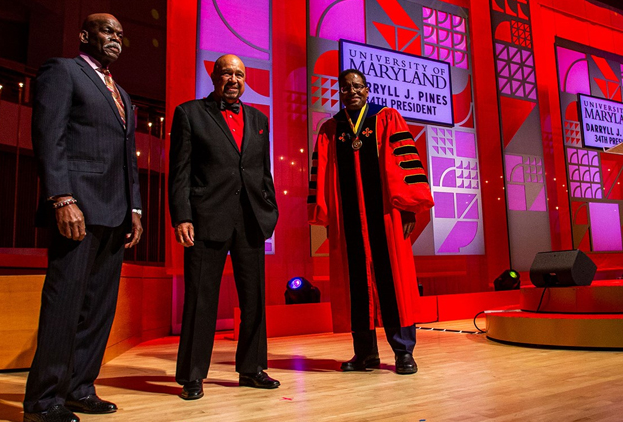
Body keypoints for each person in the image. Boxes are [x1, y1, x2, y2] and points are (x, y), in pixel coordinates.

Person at [23, 13, 142, 422]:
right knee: (65, 303)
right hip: (76, 208)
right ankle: (43, 400)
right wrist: (60, 197)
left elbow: (128, 158)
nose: (115, 39)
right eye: (107, 31)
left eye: (120, 35)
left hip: (115, 212)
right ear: (84, 35)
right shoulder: (63, 70)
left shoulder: (122, 94)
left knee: (98, 307)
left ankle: (79, 388)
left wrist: (136, 208)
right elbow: (48, 135)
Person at [308, 69, 434, 375]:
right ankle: (365, 353)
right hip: (349, 221)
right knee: (355, 286)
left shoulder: (387, 119)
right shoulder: (330, 128)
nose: (351, 91)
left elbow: (405, 164)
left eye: (357, 86)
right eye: (345, 87)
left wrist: (408, 209)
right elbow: (322, 175)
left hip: (386, 216)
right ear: (340, 92)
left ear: (367, 90)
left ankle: (404, 351)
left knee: (395, 282)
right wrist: (328, 215)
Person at [168, 54, 280, 400]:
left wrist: (270, 212)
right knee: (201, 299)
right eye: (227, 73)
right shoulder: (189, 114)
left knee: (254, 299)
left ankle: (252, 369)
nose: (233, 79)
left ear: (245, 80)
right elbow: (180, 172)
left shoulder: (259, 119)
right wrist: (182, 216)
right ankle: (192, 375)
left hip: (250, 220)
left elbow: (262, 172)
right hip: (206, 219)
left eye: (239, 74)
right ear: (214, 76)